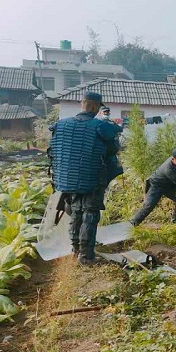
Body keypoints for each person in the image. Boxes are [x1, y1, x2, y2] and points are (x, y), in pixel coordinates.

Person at [48, 92, 121, 265]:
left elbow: (53, 152)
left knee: (75, 213)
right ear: (95, 107)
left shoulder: (61, 124)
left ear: (82, 104)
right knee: (89, 215)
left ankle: (75, 249)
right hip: (91, 178)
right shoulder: (100, 126)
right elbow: (112, 150)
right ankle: (86, 256)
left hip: (67, 180)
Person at [130, 149, 176, 226]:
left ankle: (174, 221)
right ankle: (134, 222)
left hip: (169, 184)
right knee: (149, 205)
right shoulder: (168, 169)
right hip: (156, 185)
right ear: (173, 159)